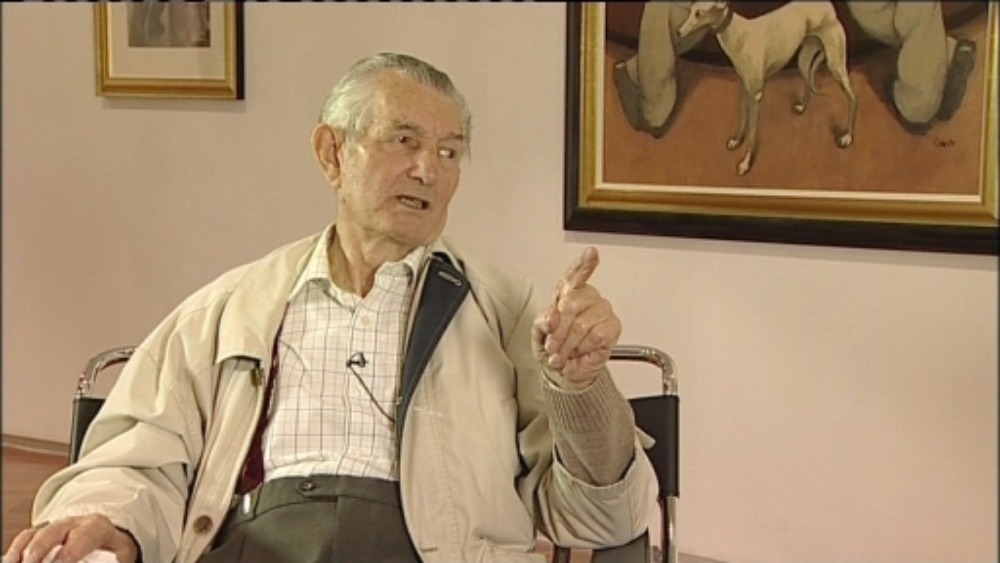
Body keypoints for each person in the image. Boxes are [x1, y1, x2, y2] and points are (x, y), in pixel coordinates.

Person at [3, 52, 657, 563]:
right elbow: (134, 458)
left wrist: (581, 387)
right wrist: (110, 520)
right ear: (331, 153)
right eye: (403, 140)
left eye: (449, 151)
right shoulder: (231, 308)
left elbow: (605, 517)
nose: (428, 170)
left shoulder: (507, 312)